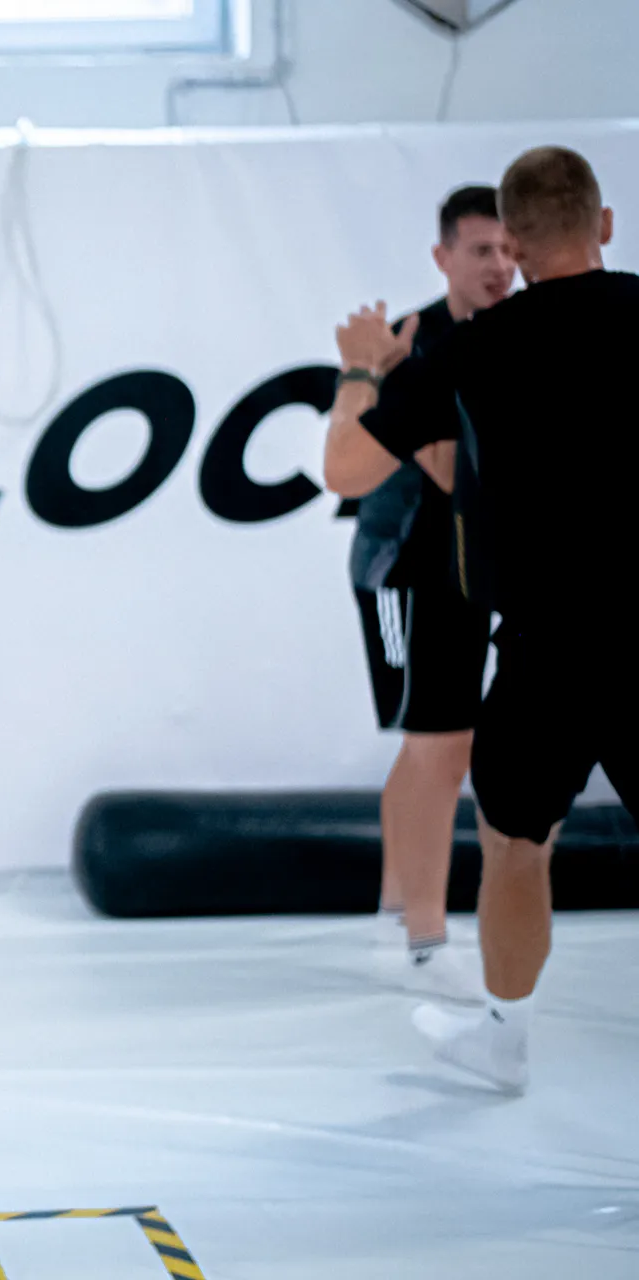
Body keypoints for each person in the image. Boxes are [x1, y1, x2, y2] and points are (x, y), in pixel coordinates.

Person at [322, 145, 635, 1094]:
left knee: (513, 848)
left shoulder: (474, 347)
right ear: (605, 225)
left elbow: (343, 470)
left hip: (547, 653)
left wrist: (362, 368)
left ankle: (506, 1039)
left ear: (518, 245)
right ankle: (431, 950)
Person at [347, 185, 513, 999]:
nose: (499, 265)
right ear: (444, 256)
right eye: (481, 250)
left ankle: (395, 907)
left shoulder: (518, 333)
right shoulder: (415, 342)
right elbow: (449, 473)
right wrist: (385, 368)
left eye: (509, 249)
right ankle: (424, 937)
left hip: (476, 567)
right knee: (436, 748)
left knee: (429, 746)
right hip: (406, 569)